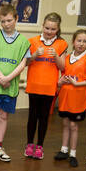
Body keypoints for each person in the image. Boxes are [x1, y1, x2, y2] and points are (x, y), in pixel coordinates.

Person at [0, 4, 30, 163]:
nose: (6, 24)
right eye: (3, 21)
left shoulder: (24, 42)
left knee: (4, 116)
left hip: (10, 86)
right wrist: (1, 77)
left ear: (16, 19)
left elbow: (22, 64)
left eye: (9, 20)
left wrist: (8, 78)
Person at [25, 12, 68, 160]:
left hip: (49, 87)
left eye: (53, 29)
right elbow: (26, 63)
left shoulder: (61, 44)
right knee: (32, 116)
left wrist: (56, 56)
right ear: (42, 26)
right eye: (47, 28)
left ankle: (40, 146)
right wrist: (35, 54)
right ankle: (29, 144)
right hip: (34, 85)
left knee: (44, 118)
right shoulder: (32, 41)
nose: (49, 32)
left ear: (57, 29)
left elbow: (63, 67)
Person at [54, 30, 86, 167]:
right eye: (79, 40)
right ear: (73, 41)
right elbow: (62, 76)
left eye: (84, 41)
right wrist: (60, 82)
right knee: (66, 124)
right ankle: (64, 150)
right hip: (65, 97)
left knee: (74, 126)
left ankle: (73, 153)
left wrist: (77, 83)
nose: (81, 44)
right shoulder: (66, 58)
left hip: (79, 99)